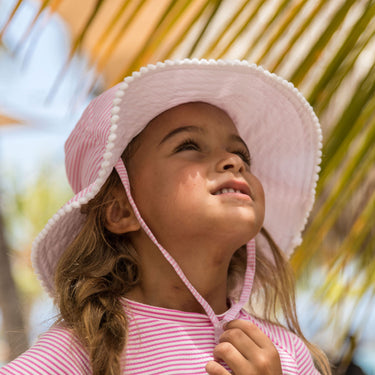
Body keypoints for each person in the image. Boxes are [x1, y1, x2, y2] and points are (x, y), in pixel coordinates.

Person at [0, 59, 331, 375]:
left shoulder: (286, 354)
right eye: (189, 145)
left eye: (241, 152)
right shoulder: (85, 350)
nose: (233, 160)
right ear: (120, 210)